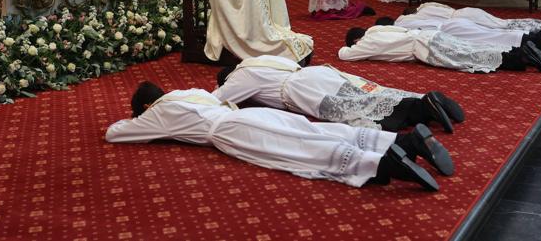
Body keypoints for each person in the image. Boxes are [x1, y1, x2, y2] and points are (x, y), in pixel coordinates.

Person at [106, 81, 454, 191]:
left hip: (230, 132)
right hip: (247, 114)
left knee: (299, 150)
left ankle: (383, 164)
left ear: (149, 104)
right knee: (311, 129)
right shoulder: (192, 92)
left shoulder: (160, 112)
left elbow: (115, 133)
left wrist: (145, 116)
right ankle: (404, 143)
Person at [214, 54, 465, 134]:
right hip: (316, 74)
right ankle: (423, 100)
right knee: (366, 93)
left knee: (355, 108)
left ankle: (421, 110)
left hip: (300, 90)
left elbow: (217, 98)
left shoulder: (239, 76)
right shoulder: (258, 59)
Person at [339, 25, 541, 73]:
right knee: (472, 48)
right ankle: (520, 53)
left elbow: (345, 55)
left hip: (424, 47)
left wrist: (349, 47)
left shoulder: (364, 43)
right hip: (427, 34)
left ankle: (521, 57)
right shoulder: (376, 29)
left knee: (469, 57)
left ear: (357, 40)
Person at [375, 14, 541, 53]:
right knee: (495, 31)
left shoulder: (400, 25)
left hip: (449, 30)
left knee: (494, 38)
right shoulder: (409, 16)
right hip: (455, 22)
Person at [402, 2, 541, 40]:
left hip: (462, 19)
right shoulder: (428, 4)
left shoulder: (419, 14)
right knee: (505, 23)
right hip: (466, 11)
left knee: (502, 29)